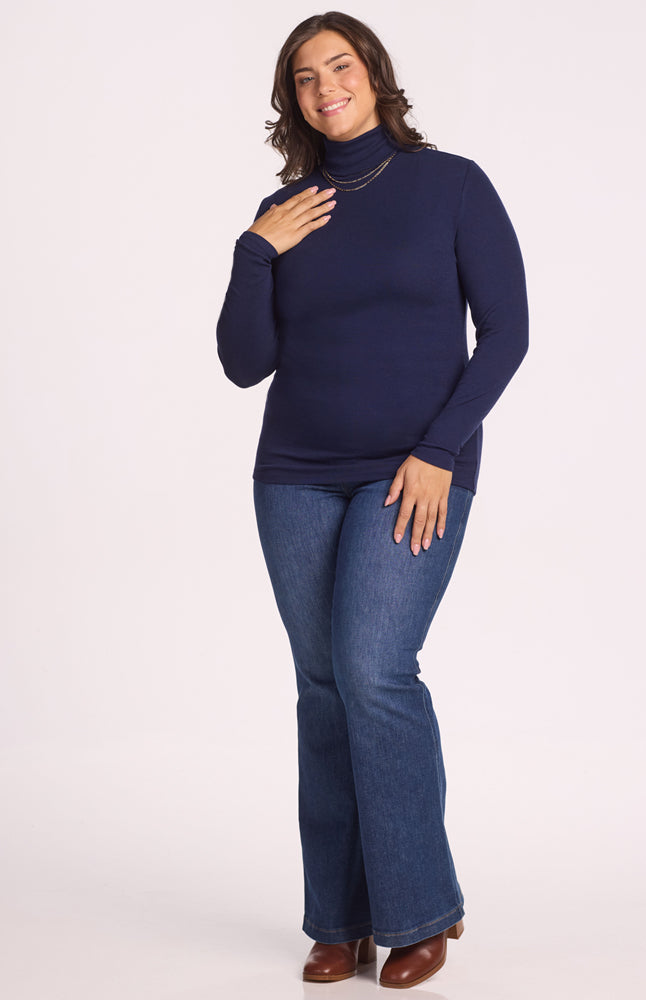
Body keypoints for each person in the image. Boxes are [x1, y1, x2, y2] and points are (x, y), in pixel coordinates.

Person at [216, 10, 528, 990]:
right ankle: (338, 920)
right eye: (304, 78)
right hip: (294, 473)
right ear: (292, 99)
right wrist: (254, 250)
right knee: (322, 686)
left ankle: (421, 910)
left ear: (375, 73)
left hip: (413, 468)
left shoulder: (451, 185)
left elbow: (507, 333)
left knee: (374, 669)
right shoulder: (287, 209)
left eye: (338, 66)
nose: (325, 88)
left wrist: (439, 450)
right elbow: (244, 364)